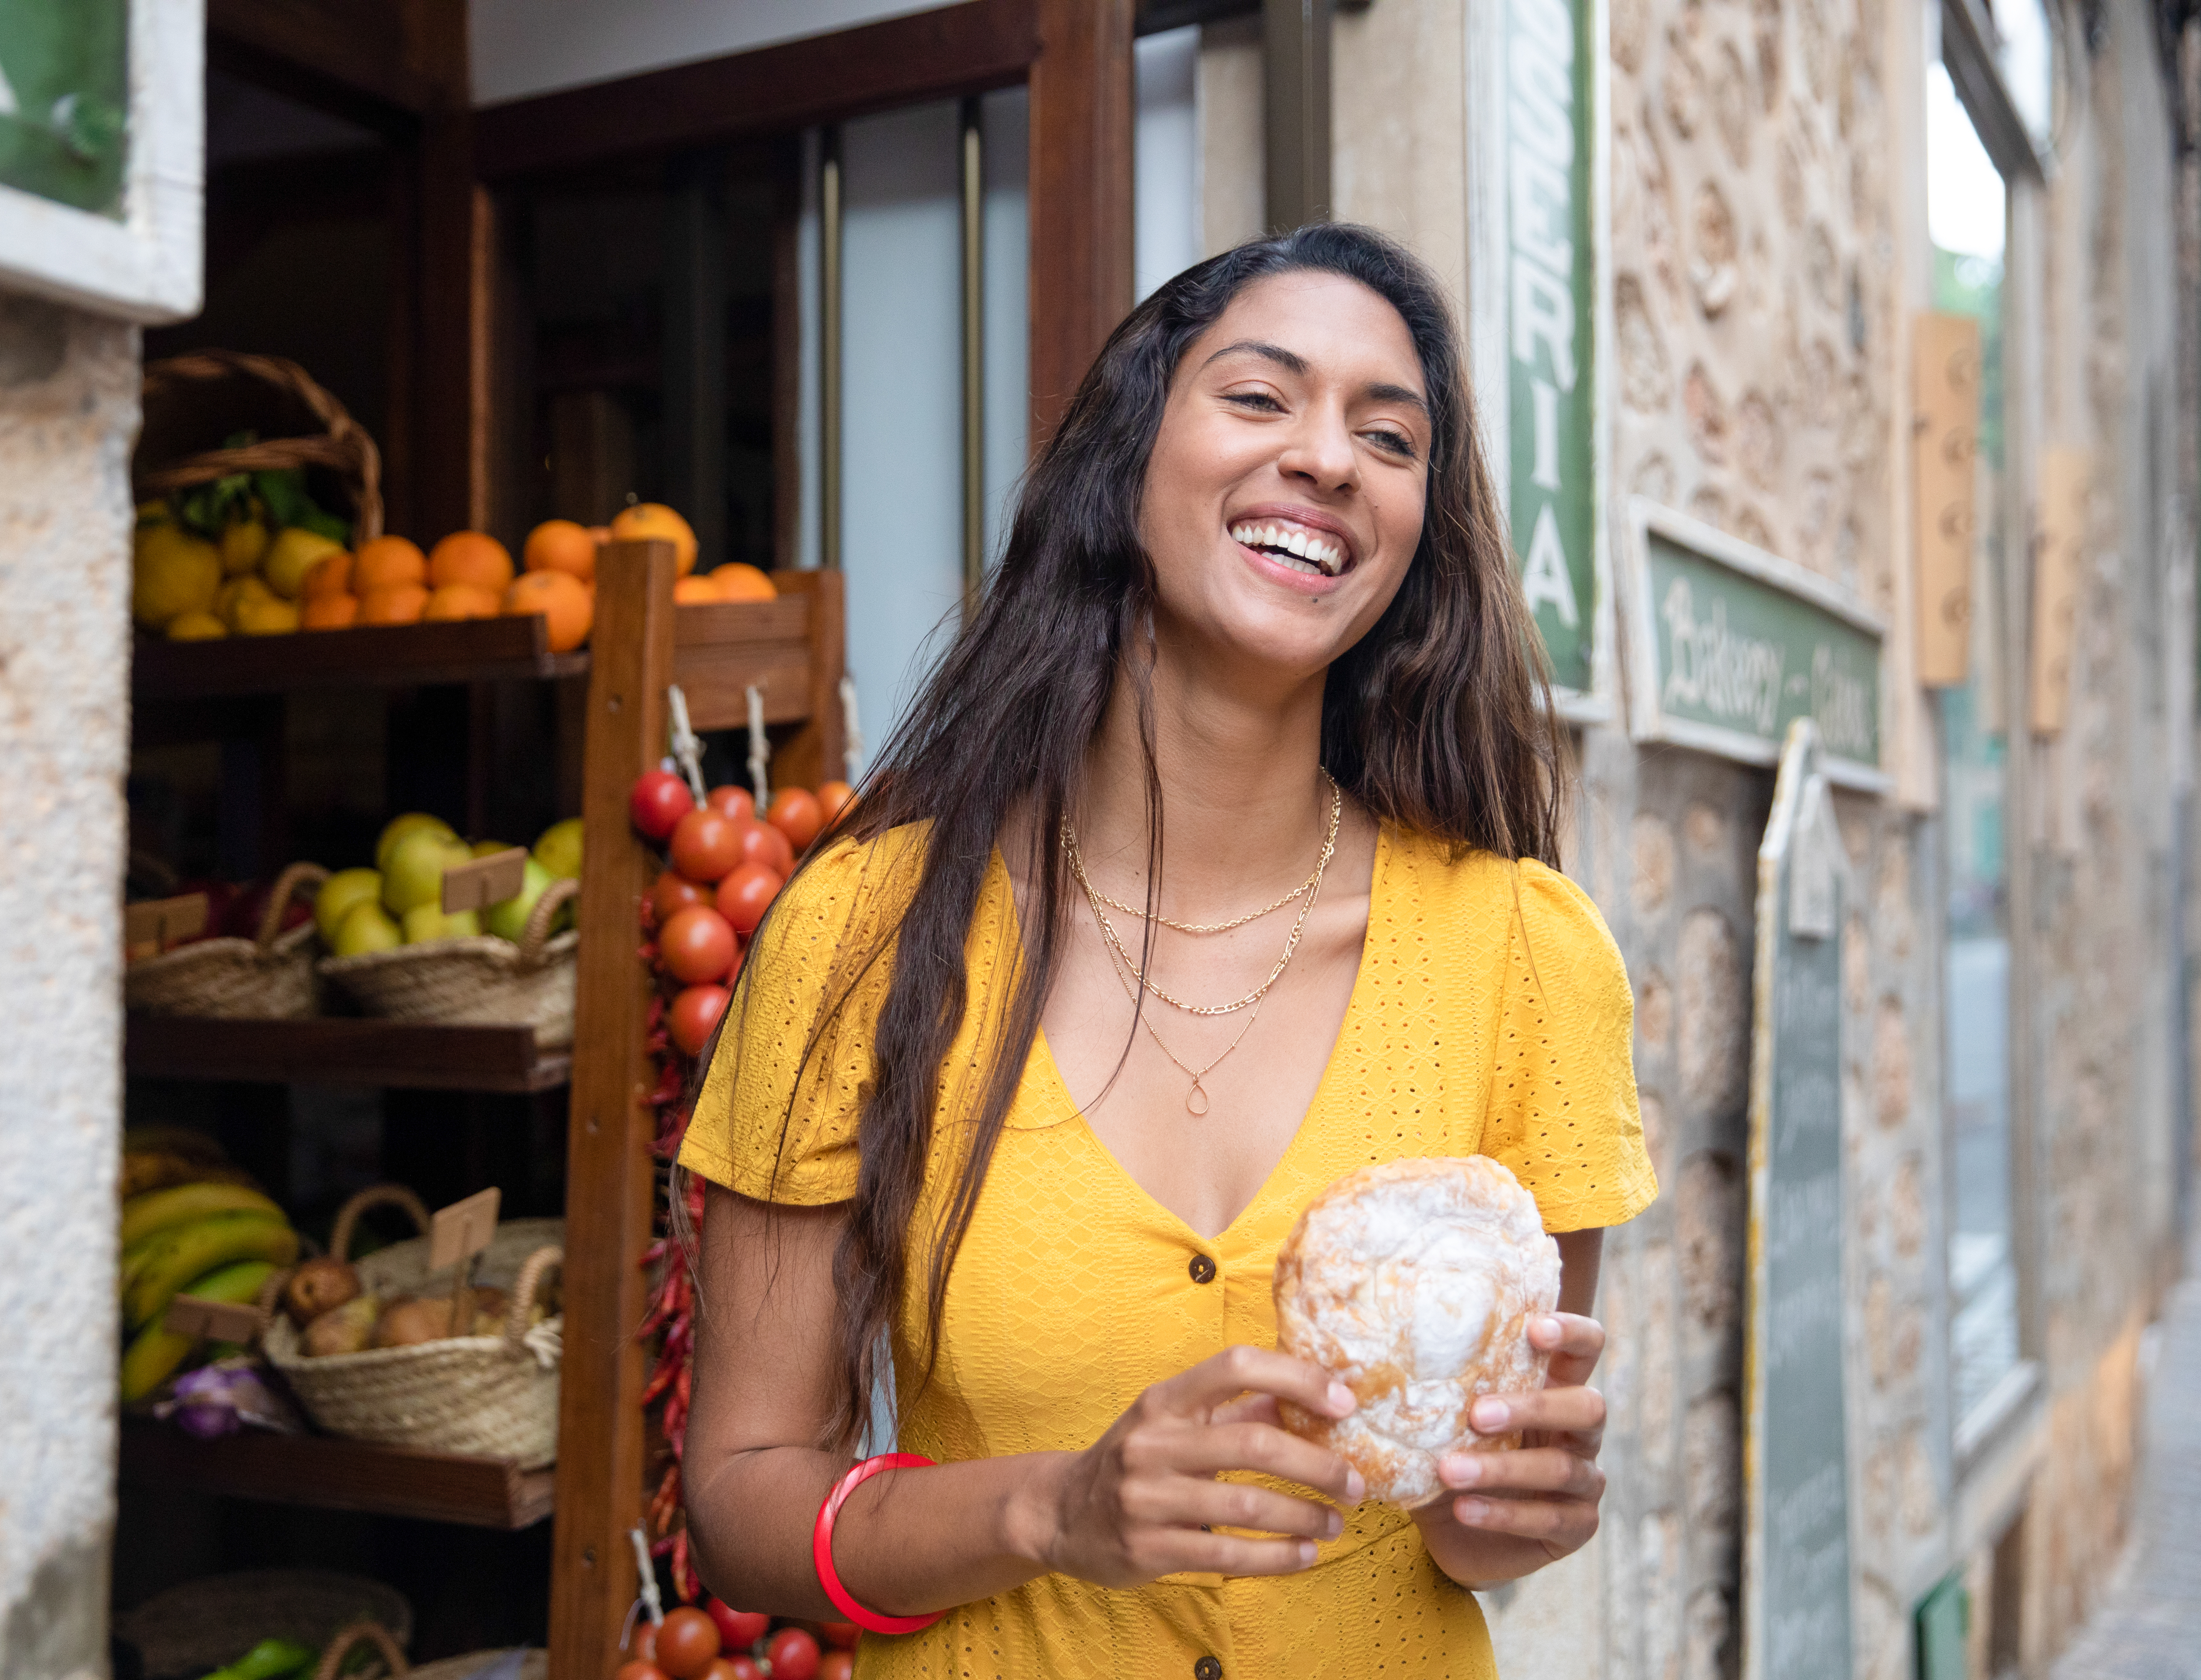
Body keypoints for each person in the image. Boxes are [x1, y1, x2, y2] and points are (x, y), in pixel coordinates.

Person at [677, 223, 1656, 1677]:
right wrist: (1049, 1508)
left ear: (1411, 534)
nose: (1327, 458)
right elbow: (742, 1501)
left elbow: (1471, 1527)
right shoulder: (863, 932)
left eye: (1388, 438)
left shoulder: (1520, 953)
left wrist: (1527, 1505)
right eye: (1259, 399)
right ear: (1125, 463)